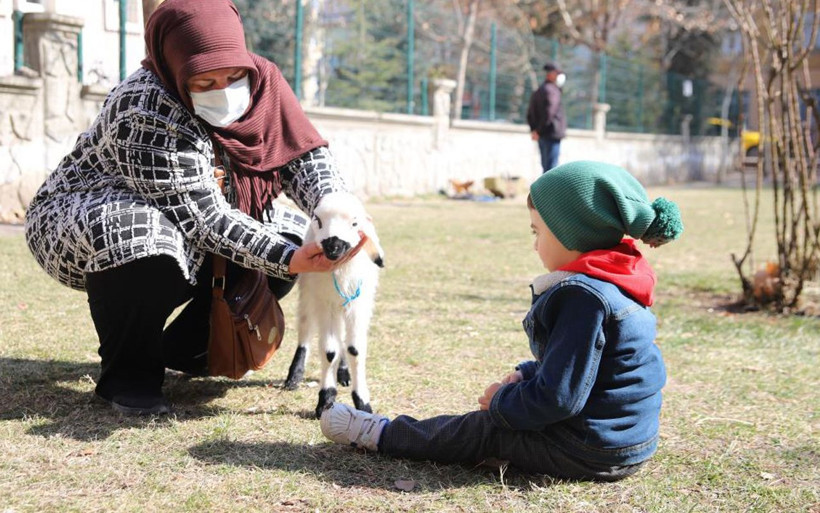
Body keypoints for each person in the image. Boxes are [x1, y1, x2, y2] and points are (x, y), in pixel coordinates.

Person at [23, 0, 365, 415]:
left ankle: (186, 351)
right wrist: (287, 257)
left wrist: (335, 213)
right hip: (82, 215)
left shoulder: (264, 80)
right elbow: (203, 217)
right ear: (176, 66)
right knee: (141, 236)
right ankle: (129, 377)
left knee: (289, 234)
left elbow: (303, 158)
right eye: (204, 81)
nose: (224, 89)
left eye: (234, 76)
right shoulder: (144, 106)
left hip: (196, 212)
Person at [320, 160, 683, 481]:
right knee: (503, 424)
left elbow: (558, 399)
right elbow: (597, 367)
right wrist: (529, 374)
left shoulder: (583, 298)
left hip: (591, 448)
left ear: (573, 232)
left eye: (537, 231)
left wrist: (502, 402)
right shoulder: (618, 280)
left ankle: (381, 433)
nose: (534, 244)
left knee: (485, 430)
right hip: (627, 442)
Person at [527, 62, 567, 173]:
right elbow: (550, 112)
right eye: (557, 73)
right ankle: (549, 185)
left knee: (546, 166)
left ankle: (545, 185)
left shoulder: (539, 90)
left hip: (541, 134)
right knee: (551, 169)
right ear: (551, 74)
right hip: (551, 133)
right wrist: (538, 130)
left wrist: (535, 130)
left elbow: (530, 113)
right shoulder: (552, 91)